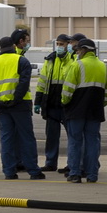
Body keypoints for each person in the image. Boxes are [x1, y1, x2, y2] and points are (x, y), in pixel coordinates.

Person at [0, 30, 43, 180]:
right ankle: (33, 170)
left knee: (6, 139)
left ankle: (9, 171)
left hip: (2, 107)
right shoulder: (21, 60)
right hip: (20, 105)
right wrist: (16, 99)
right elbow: (23, 83)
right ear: (12, 45)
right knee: (27, 138)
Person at [61, 34, 107, 183]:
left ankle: (75, 173)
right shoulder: (103, 66)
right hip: (95, 111)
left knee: (75, 142)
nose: (76, 52)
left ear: (84, 50)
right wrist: (101, 105)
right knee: (92, 142)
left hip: (76, 110)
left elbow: (67, 90)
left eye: (77, 50)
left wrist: (65, 103)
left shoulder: (77, 65)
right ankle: (92, 175)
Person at [34, 35, 73, 174]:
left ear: (69, 45)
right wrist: (38, 101)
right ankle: (50, 163)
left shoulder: (74, 60)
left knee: (72, 137)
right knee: (51, 137)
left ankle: (71, 164)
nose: (59, 46)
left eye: (62, 44)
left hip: (67, 104)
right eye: (58, 44)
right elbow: (42, 83)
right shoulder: (50, 60)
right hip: (51, 104)